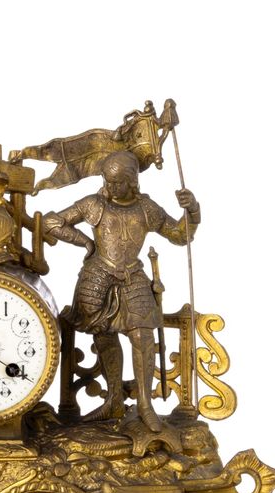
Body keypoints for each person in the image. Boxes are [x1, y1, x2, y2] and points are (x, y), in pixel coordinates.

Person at [42, 150, 200, 432]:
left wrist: (193, 212)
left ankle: (145, 406)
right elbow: (51, 222)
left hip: (133, 275)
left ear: (132, 181)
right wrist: (85, 242)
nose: (111, 187)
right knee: (102, 333)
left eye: (118, 182)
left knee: (142, 335)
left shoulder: (146, 209)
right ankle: (113, 399)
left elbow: (180, 235)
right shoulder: (94, 204)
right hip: (98, 274)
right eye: (108, 181)